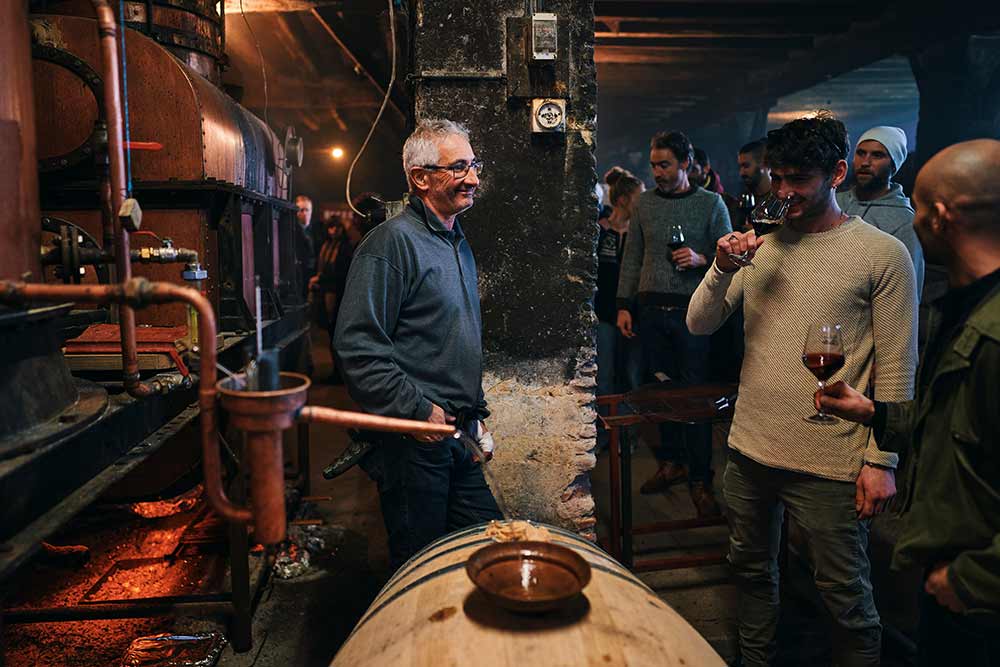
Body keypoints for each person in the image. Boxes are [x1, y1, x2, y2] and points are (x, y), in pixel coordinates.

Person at [687, 111, 918, 666]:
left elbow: (898, 367)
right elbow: (699, 323)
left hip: (831, 458)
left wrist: (881, 459)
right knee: (750, 573)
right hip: (750, 447)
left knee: (845, 599)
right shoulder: (758, 246)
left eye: (798, 179)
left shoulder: (882, 255)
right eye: (777, 177)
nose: (783, 191)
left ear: (836, 173)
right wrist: (720, 268)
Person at [817, 138, 1000, 666]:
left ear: (940, 216)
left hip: (979, 596)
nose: (913, 222)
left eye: (917, 209)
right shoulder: (962, 307)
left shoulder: (995, 331)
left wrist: (969, 580)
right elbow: (962, 423)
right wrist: (876, 413)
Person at [334, 118, 501, 568]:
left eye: (474, 164)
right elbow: (358, 349)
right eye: (459, 167)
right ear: (421, 178)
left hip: (456, 434)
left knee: (487, 552)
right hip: (414, 444)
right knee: (422, 570)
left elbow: (453, 338)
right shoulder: (390, 246)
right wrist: (417, 410)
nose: (474, 178)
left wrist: (475, 413)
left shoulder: (453, 240)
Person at [616, 130, 733, 516]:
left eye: (664, 164)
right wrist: (624, 304)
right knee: (660, 395)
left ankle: (701, 478)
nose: (657, 172)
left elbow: (730, 258)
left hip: (693, 315)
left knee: (696, 400)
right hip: (651, 313)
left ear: (685, 164)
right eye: (653, 165)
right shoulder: (645, 205)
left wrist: (701, 260)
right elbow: (632, 257)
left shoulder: (711, 204)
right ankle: (672, 463)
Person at [837, 126, 925, 298]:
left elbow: (909, 293)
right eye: (861, 153)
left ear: (893, 164)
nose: (865, 162)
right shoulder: (836, 202)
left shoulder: (904, 221)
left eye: (877, 155)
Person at [595, 169, 644, 443]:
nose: (644, 201)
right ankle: (604, 438)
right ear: (625, 200)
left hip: (634, 315)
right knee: (604, 378)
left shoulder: (640, 234)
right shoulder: (601, 232)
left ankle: (628, 439)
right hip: (604, 314)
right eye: (639, 197)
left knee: (633, 378)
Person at [294, 195, 317, 300]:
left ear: (311, 211)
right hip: (299, 276)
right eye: (301, 210)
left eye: (307, 210)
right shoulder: (292, 231)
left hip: (314, 275)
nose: (304, 214)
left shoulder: (318, 231)